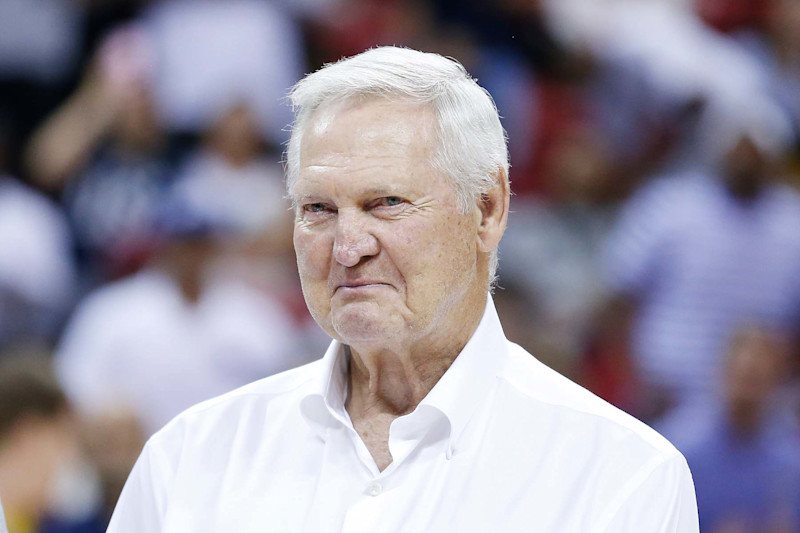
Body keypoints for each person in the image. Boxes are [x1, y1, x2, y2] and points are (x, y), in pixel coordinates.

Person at [108, 46, 698, 532]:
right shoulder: (189, 459)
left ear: (487, 210)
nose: (347, 246)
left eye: (385, 203)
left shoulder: (621, 477)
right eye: (318, 209)